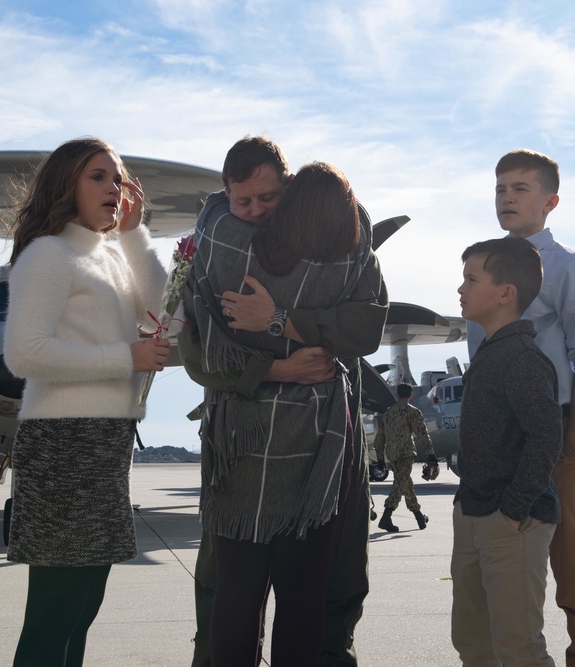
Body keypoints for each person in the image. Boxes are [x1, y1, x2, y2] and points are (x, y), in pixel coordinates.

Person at [180, 136, 387, 667]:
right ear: (227, 194)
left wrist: (275, 321)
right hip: (317, 447)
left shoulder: (216, 238)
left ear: (290, 189)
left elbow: (200, 348)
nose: (252, 212)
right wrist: (282, 363)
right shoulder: (347, 247)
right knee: (304, 594)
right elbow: (365, 325)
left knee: (237, 594)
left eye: (266, 199)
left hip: (240, 445)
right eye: (241, 201)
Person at [2, 137, 171, 667]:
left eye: (118, 179)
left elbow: (166, 312)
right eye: (98, 176)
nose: (113, 188)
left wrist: (134, 235)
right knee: (56, 611)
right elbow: (24, 354)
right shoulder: (49, 254)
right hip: (63, 443)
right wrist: (126, 357)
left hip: (104, 441)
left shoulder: (109, 257)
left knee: (83, 605)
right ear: (66, 184)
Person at [466, 149, 575, 667]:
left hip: (553, 435)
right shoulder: (483, 268)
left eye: (520, 189)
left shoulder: (572, 269)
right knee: (496, 586)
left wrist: (571, 448)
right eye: (500, 188)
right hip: (496, 448)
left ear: (550, 201)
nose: (507, 197)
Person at [452, 236, 563, 666]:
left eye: (470, 279)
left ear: (505, 293)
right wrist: (466, 509)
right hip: (474, 516)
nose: (460, 289)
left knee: (519, 650)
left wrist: (512, 511)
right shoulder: (490, 352)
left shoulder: (522, 358)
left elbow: (546, 438)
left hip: (512, 524)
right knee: (473, 643)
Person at [374, 382, 438, 532]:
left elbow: (380, 438)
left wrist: (380, 459)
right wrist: (430, 454)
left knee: (405, 483)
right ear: (411, 395)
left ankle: (419, 517)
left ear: (397, 394)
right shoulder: (413, 412)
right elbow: (422, 433)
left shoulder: (388, 413)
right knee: (399, 484)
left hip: (392, 454)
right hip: (406, 454)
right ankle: (386, 517)